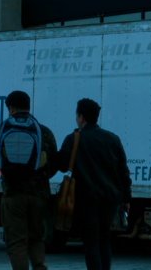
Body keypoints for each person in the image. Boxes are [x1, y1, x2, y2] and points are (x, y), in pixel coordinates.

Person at [53, 98, 132, 270]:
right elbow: (123, 172)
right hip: (110, 199)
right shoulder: (113, 139)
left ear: (81, 117)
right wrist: (127, 198)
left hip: (85, 199)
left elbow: (62, 165)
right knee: (104, 240)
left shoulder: (74, 139)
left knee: (91, 243)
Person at [0, 90, 57, 270]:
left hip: (13, 194)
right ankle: (40, 266)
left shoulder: (4, 128)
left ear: (11, 107)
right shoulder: (43, 131)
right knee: (36, 238)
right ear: (28, 106)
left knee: (17, 242)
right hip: (39, 195)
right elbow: (54, 163)